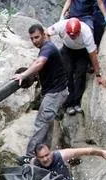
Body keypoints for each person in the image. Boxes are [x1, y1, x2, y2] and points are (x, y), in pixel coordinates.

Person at [12, 24, 69, 157]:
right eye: (32, 38)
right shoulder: (46, 48)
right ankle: (45, 156)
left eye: (37, 37)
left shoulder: (48, 47)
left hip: (55, 93)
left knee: (41, 123)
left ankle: (30, 157)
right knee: (47, 125)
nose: (34, 41)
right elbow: (38, 62)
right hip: (55, 92)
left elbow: (40, 63)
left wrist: (23, 75)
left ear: (44, 34)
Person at [46, 17, 105, 116]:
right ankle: (68, 103)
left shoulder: (86, 33)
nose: (72, 37)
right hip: (67, 49)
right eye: (70, 35)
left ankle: (76, 101)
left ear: (79, 31)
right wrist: (50, 48)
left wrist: (98, 74)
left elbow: (93, 55)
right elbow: (46, 33)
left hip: (82, 51)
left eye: (75, 35)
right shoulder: (61, 26)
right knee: (67, 73)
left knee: (80, 73)